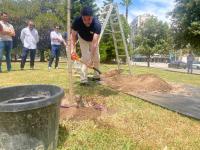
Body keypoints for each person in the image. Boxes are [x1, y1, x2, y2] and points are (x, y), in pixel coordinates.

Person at [71, 6, 101, 85]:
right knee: (86, 58)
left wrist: (92, 58)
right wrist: (72, 50)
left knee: (97, 58)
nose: (87, 22)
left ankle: (96, 76)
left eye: (89, 19)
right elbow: (73, 35)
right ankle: (83, 79)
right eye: (84, 19)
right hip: (82, 39)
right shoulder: (77, 21)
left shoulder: (97, 24)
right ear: (82, 17)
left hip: (92, 41)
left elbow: (94, 44)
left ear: (92, 17)